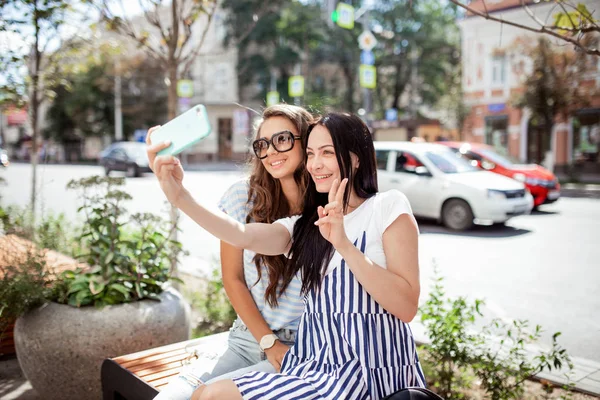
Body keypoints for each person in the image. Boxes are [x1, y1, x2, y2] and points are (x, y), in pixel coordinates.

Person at [147, 112, 426, 400]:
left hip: (368, 374)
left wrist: (343, 244)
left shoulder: (387, 207)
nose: (316, 164)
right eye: (311, 154)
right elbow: (241, 234)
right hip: (315, 369)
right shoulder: (308, 224)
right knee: (207, 395)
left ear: (356, 158)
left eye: (327, 153)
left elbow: (406, 307)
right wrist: (180, 196)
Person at [152, 104, 314, 400]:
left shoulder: (326, 210)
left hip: (303, 348)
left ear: (307, 141)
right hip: (247, 338)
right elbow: (233, 279)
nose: (271, 152)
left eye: (283, 139)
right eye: (262, 144)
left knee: (209, 397)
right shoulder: (243, 196)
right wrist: (266, 341)